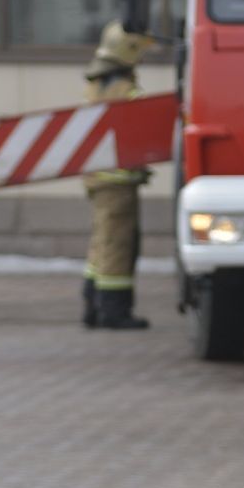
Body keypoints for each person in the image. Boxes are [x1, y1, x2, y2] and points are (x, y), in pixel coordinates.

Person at [82, 22, 155, 330]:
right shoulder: (126, 90)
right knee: (118, 245)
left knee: (101, 241)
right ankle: (114, 311)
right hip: (119, 181)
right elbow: (144, 126)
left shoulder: (97, 84)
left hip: (99, 179)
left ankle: (92, 305)